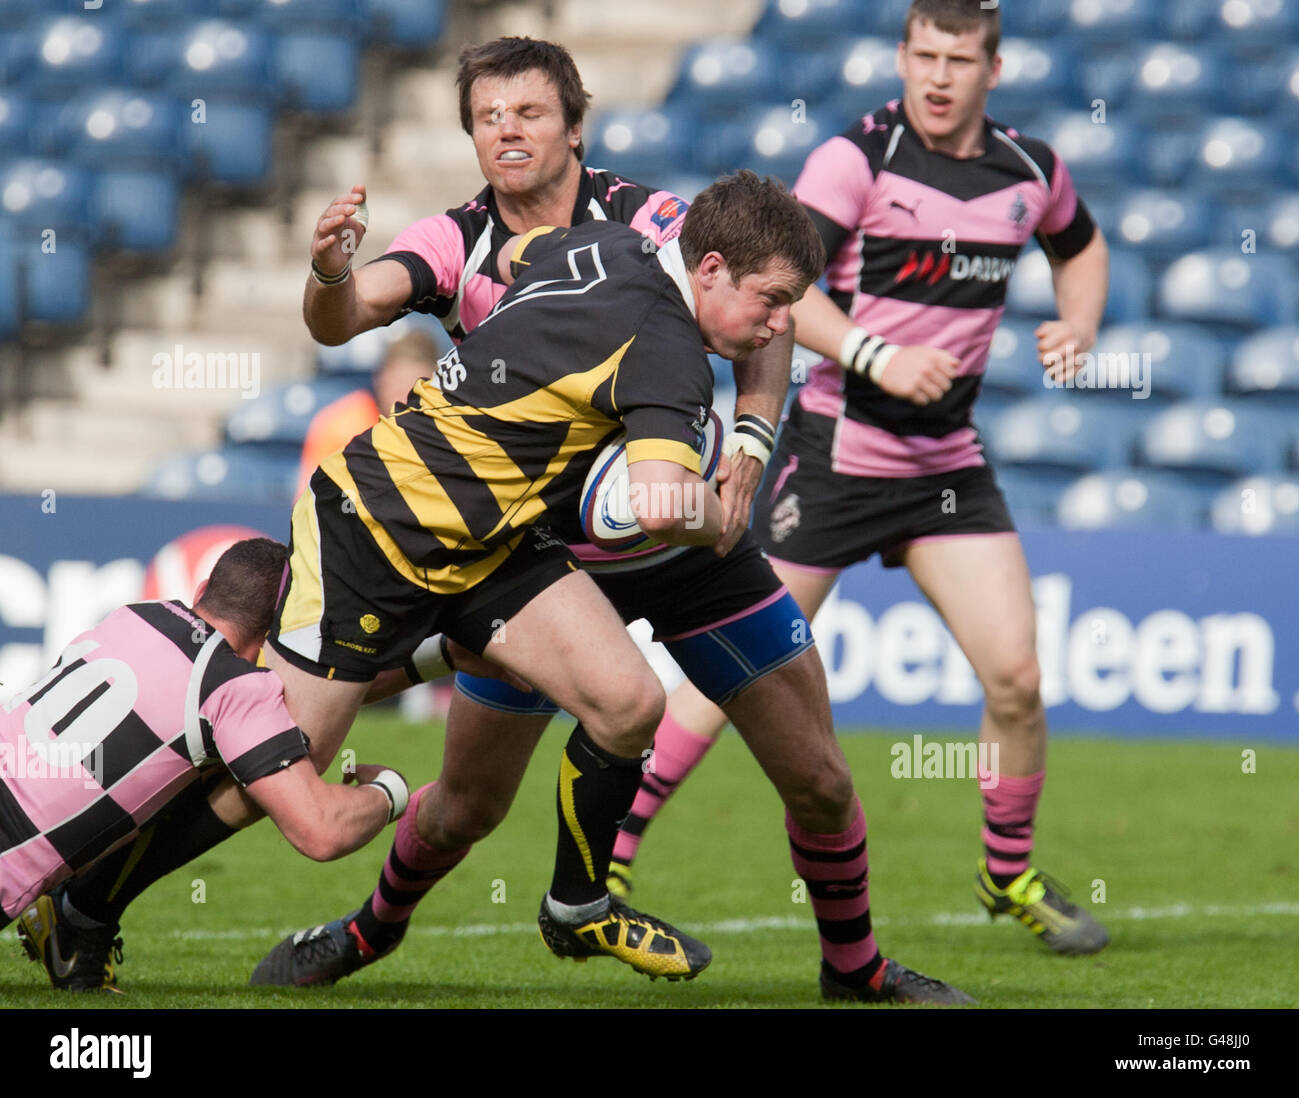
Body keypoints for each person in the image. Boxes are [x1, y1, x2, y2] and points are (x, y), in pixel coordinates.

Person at [249, 38, 972, 1005]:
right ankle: (368, 933)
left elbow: (771, 304)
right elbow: (342, 318)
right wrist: (333, 274)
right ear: (470, 135)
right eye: (488, 115)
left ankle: (856, 972)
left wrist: (750, 454)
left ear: (575, 125)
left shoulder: (646, 224)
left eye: (529, 111)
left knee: (823, 780)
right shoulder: (459, 241)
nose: (507, 128)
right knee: (464, 805)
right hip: (541, 558)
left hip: (689, 553)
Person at [611, 0, 1112, 957]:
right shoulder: (858, 159)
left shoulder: (1031, 171)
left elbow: (1080, 246)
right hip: (835, 457)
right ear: (903, 55)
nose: (936, 76)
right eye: (923, 54)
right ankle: (618, 852)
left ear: (991, 71)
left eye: (957, 60)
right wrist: (877, 351)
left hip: (945, 467)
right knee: (729, 669)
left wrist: (1078, 326)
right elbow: (786, 288)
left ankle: (1007, 875)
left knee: (1016, 675)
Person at [3, 539, 409, 991]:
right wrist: (390, 791)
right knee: (243, 772)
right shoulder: (231, 690)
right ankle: (77, 917)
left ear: (200, 592)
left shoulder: (133, 616)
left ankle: (79, 919)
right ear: (278, 631)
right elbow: (322, 830)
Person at [296, 330, 441, 497]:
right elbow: (311, 501)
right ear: (380, 380)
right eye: (397, 385)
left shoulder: (445, 430)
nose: (403, 399)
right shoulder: (344, 426)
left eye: (413, 389)